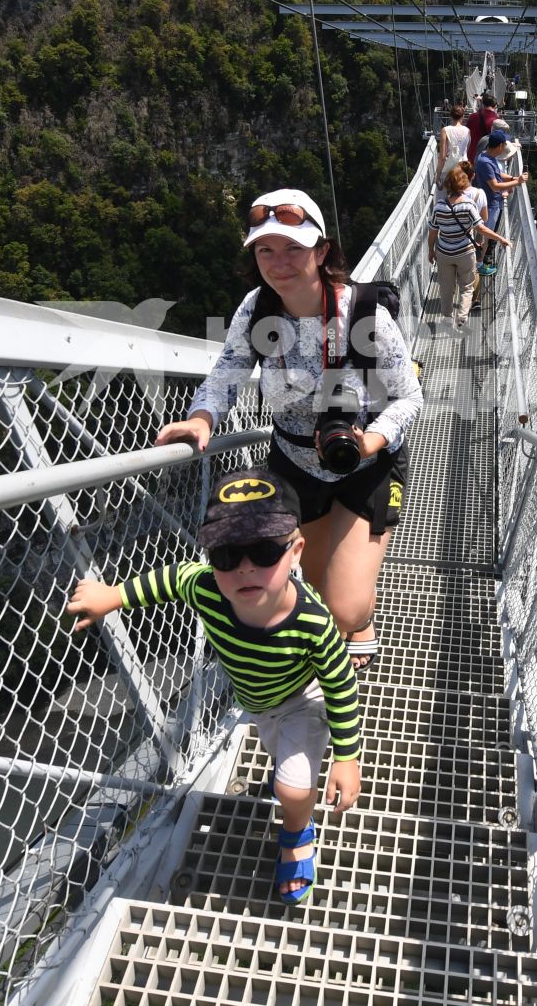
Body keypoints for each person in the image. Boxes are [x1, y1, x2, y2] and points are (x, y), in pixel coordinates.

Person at [156, 189, 422, 674]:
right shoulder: (257, 309)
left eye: (294, 248)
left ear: (322, 252)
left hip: (364, 460)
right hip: (295, 462)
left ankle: (360, 620)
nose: (279, 262)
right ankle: (344, 611)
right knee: (316, 589)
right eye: (265, 250)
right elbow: (229, 370)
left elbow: (410, 396)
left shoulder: (365, 315)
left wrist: (375, 438)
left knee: (345, 607)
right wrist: (203, 417)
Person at [66, 469, 358, 904]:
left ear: (296, 551)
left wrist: (348, 758)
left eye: (263, 550)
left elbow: (340, 685)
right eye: (225, 554)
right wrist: (114, 595)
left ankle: (297, 833)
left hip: (302, 700)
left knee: (292, 787)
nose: (245, 567)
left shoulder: (314, 624)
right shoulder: (206, 588)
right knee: (281, 759)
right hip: (257, 701)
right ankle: (295, 790)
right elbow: (170, 579)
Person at [428, 164, 511, 332]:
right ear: (464, 183)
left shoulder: (438, 207)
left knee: (445, 287)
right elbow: (481, 228)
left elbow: (432, 233)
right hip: (465, 253)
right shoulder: (468, 205)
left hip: (444, 253)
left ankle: (446, 319)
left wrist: (431, 251)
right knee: (467, 286)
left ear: (448, 185)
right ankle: (462, 316)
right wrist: (501, 238)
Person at [472, 128, 529, 273]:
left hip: (490, 202)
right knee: (484, 236)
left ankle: (476, 262)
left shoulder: (486, 157)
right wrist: (518, 182)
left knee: (483, 234)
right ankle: (478, 265)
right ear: (499, 146)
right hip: (490, 205)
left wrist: (512, 178)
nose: (505, 147)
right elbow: (495, 186)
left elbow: (496, 175)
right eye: (504, 144)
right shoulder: (486, 162)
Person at [437, 104, 471, 187]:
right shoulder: (467, 131)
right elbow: (466, 149)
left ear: (451, 116)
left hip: (449, 168)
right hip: (463, 167)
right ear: (462, 116)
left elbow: (442, 156)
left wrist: (438, 175)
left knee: (446, 196)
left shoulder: (445, 130)